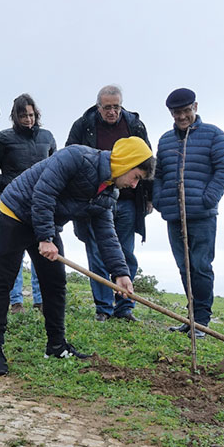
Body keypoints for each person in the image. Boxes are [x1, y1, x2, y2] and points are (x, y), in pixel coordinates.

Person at [0, 137, 155, 376]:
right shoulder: (77, 157)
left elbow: (106, 234)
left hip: (46, 221)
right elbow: (44, 193)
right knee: (3, 280)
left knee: (55, 283)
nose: (135, 185)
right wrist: (45, 237)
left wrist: (121, 272)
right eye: (136, 177)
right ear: (127, 162)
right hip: (16, 212)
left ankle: (56, 345)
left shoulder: (108, 192)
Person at [152, 88, 224, 339]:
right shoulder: (165, 140)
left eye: (186, 111)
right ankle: (191, 319)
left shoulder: (214, 135)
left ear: (195, 107)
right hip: (174, 215)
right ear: (171, 113)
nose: (182, 116)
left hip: (202, 216)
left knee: (200, 266)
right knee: (184, 267)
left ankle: (202, 322)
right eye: (177, 113)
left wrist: (207, 199)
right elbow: (159, 174)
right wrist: (159, 200)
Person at [67, 85, 152, 322]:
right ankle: (103, 308)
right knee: (97, 252)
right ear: (98, 107)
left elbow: (147, 164)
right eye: (107, 107)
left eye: (116, 107)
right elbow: (71, 155)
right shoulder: (83, 125)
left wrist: (149, 197)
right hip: (95, 200)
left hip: (127, 201)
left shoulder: (135, 126)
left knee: (125, 253)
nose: (112, 112)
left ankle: (124, 307)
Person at [0, 94, 56, 313]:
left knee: (42, 251)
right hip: (12, 204)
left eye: (31, 115)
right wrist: (6, 184)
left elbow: (56, 165)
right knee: (13, 254)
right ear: (15, 117)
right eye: (23, 116)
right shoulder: (3, 139)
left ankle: (41, 300)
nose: (28, 120)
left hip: (42, 203)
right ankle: (16, 301)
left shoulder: (47, 137)